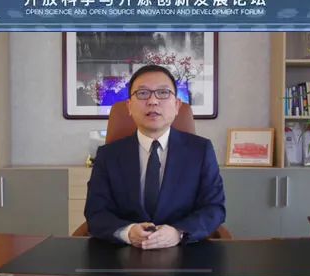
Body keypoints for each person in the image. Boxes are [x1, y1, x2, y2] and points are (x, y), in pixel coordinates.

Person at [84, 64, 226, 249]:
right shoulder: (108, 155)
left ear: (177, 105)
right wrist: (128, 232)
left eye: (163, 93)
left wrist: (178, 232)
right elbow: (96, 212)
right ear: (129, 106)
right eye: (143, 93)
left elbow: (214, 208)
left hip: (184, 251)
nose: (152, 101)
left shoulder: (200, 151)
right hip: (123, 252)